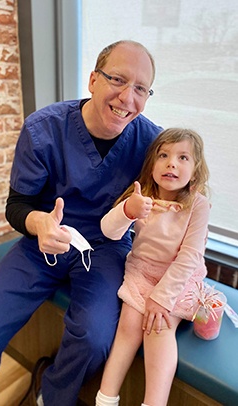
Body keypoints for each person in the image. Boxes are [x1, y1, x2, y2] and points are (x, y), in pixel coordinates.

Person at [0, 40, 162, 406]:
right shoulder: (44, 128)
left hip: (106, 250)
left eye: (141, 88)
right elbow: (18, 205)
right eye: (118, 80)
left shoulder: (152, 141)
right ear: (93, 79)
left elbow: (182, 196)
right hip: (43, 241)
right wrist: (39, 223)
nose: (127, 98)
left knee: (93, 339)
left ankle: (53, 393)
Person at [95, 128, 210, 406]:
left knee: (158, 326)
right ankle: (105, 399)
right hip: (142, 271)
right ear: (152, 164)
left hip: (178, 277)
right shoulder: (141, 194)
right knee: (129, 325)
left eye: (183, 157)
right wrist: (127, 211)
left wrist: (161, 298)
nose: (172, 162)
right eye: (164, 155)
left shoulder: (198, 205)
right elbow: (108, 231)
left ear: (194, 172)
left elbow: (190, 257)